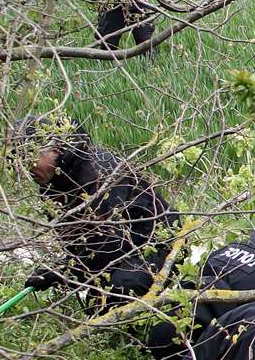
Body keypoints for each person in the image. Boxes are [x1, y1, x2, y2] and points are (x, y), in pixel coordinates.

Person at [20, 119, 177, 309]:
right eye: (20, 160)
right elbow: (77, 242)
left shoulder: (98, 173)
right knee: (96, 305)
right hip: (123, 250)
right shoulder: (52, 185)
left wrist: (64, 272)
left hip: (160, 244)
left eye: (30, 158)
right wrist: (59, 269)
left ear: (55, 150)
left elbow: (110, 246)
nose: (27, 168)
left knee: (117, 293)